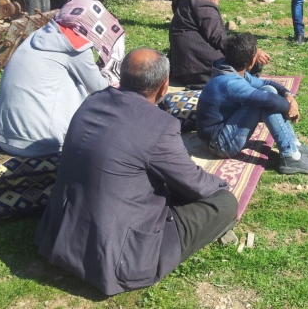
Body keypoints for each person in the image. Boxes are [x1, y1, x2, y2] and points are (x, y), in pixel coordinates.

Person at [35, 48, 238, 296]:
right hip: (118, 259)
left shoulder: (92, 100)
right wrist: (221, 185)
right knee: (224, 203)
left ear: (122, 76)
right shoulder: (160, 126)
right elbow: (194, 183)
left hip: (60, 237)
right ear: (164, 87)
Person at [0, 0, 124, 157]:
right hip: (40, 144)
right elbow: (100, 87)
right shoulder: (75, 45)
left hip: (5, 136)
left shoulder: (40, 34)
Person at [197, 33, 308, 175]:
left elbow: (266, 83)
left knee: (268, 92)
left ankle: (294, 145)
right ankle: (291, 156)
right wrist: (291, 108)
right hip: (220, 144)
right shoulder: (230, 82)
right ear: (251, 62)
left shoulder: (229, 69)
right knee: (265, 101)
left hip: (222, 131)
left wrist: (289, 95)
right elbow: (270, 101)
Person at [169, 0, 270, 88]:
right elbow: (219, 38)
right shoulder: (204, 6)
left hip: (184, 69)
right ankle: (245, 89)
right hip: (200, 70)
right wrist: (251, 52)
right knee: (251, 62)